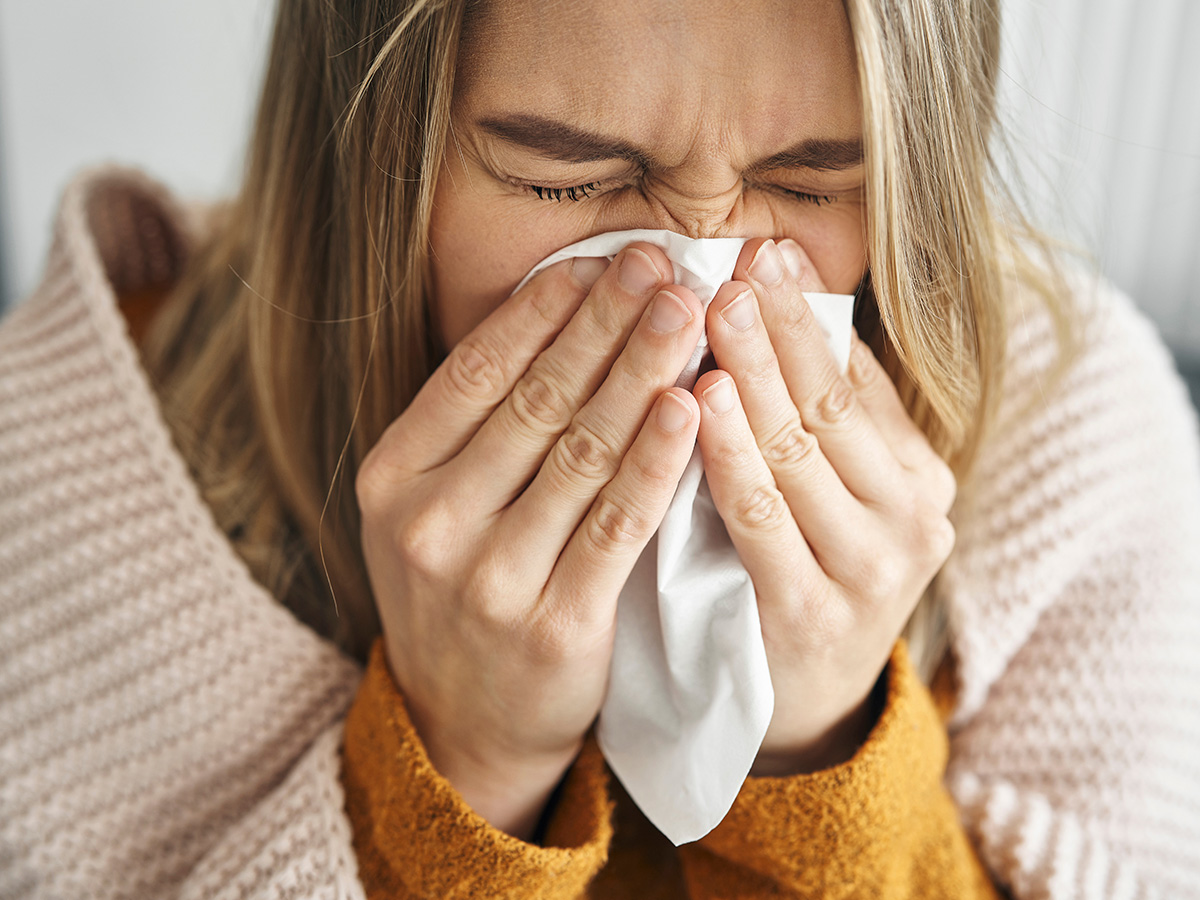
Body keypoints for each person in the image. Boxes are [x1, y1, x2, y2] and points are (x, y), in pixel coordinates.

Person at [1, 0, 1197, 897]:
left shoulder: (1072, 441)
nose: (701, 278)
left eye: (812, 182)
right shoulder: (69, 476)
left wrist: (823, 754)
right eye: (569, 181)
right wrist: (457, 774)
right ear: (367, 153)